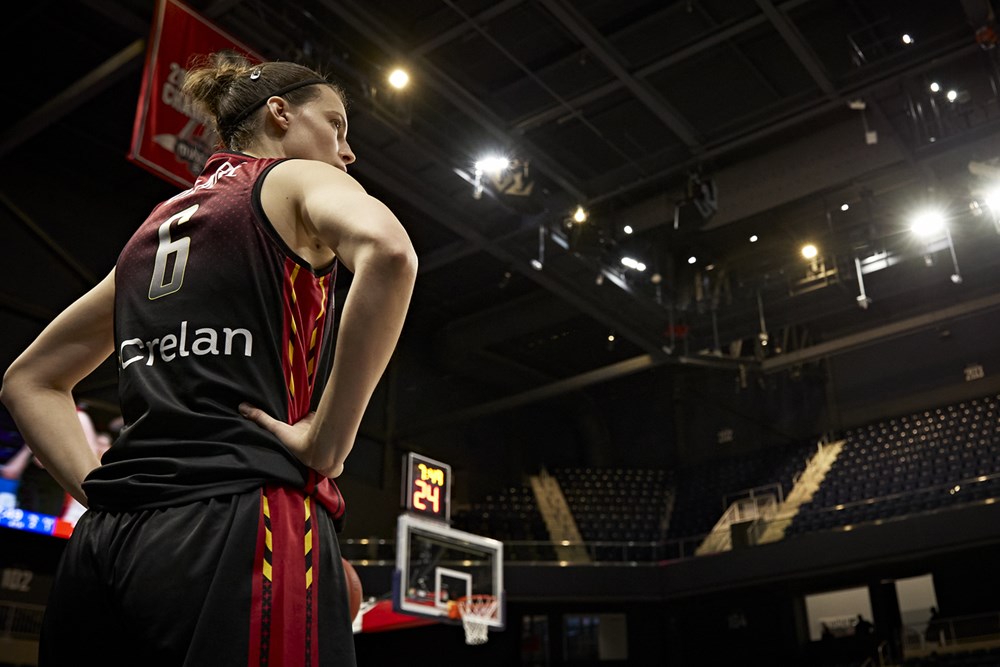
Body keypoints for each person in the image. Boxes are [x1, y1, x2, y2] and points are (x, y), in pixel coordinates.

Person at [0, 51, 417, 666]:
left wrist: (103, 495)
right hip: (243, 517)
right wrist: (329, 441)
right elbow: (389, 253)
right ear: (281, 114)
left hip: (104, 549)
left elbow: (27, 381)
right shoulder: (295, 179)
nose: (347, 151)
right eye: (336, 125)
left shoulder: (154, 230)